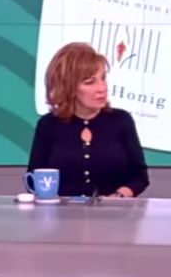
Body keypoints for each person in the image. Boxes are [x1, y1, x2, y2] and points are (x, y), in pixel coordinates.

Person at [27, 42, 149, 197]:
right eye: (90, 82)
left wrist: (117, 197)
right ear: (69, 87)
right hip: (61, 211)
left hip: (114, 211)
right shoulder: (48, 125)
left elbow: (140, 177)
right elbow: (33, 178)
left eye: (103, 78)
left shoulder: (121, 121)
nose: (102, 88)